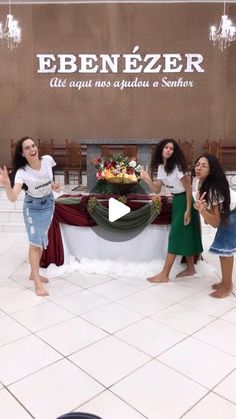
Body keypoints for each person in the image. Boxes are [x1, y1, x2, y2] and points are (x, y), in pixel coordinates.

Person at [0, 136, 60, 296]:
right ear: (22, 153)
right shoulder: (22, 172)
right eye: (27, 148)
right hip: (32, 207)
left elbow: (47, 179)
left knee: (40, 242)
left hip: (48, 204)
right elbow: (13, 197)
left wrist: (53, 185)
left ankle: (33, 274)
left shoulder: (48, 160)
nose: (32, 149)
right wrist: (7, 184)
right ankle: (37, 283)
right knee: (34, 244)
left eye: (33, 146)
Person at [141, 139, 203, 282]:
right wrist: (147, 179)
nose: (169, 150)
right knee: (186, 234)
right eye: (166, 147)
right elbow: (156, 189)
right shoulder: (162, 168)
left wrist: (188, 209)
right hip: (177, 200)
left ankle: (164, 274)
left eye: (172, 148)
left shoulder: (177, 167)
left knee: (175, 236)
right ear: (161, 150)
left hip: (185, 201)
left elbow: (188, 188)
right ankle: (191, 268)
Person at [193, 153, 236, 298]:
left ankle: (227, 285)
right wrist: (204, 211)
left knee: (225, 250)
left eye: (204, 166)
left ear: (211, 170)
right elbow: (211, 219)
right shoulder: (200, 183)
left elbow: (216, 222)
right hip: (228, 215)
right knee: (223, 250)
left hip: (233, 215)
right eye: (197, 164)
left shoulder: (213, 189)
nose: (199, 168)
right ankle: (225, 282)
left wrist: (202, 210)